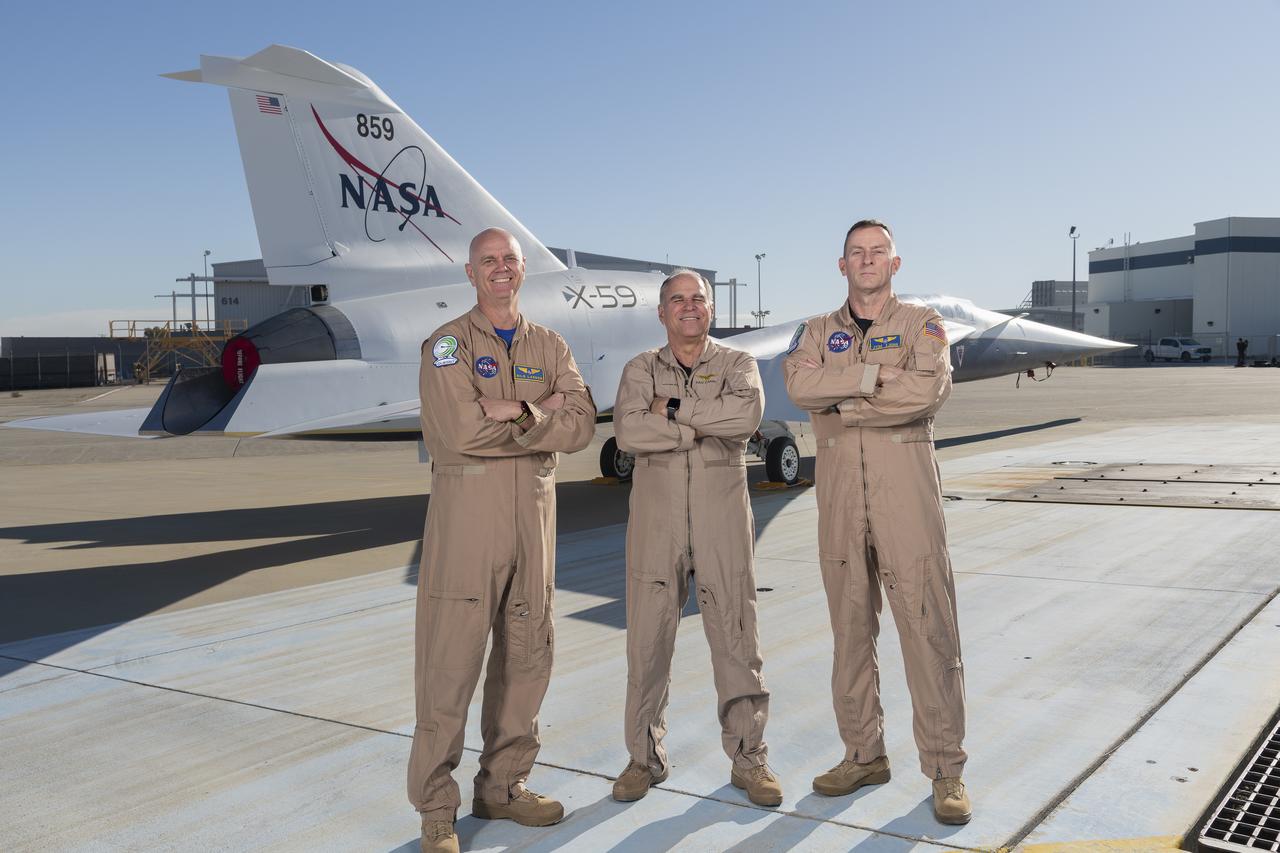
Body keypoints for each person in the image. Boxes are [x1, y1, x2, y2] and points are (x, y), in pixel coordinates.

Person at [410, 227, 596, 853]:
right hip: (467, 526)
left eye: (510, 261)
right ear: (470, 273)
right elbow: (461, 430)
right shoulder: (446, 346)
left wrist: (513, 411)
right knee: (450, 666)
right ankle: (437, 810)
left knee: (527, 658)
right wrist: (540, 407)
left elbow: (581, 429)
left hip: (533, 528)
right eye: (488, 261)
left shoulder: (550, 342)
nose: (500, 270)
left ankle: (503, 787)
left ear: (523, 272)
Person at [783, 220, 971, 825]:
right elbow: (799, 385)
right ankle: (863, 753)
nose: (866, 261)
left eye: (877, 253)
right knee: (849, 631)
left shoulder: (922, 325)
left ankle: (945, 769)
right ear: (842, 266)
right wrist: (870, 379)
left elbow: (925, 392)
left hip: (906, 499)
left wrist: (843, 401)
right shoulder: (816, 331)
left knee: (927, 628)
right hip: (840, 501)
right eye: (855, 254)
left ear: (895, 263)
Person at [610, 270, 781, 808]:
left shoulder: (737, 364)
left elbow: (745, 416)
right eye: (676, 301)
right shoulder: (640, 368)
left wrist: (675, 411)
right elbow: (629, 431)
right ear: (661, 313)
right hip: (656, 524)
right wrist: (701, 428)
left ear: (710, 309)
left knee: (736, 636)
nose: (688, 308)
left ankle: (749, 759)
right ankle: (643, 759)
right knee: (647, 641)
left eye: (697, 300)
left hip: (721, 520)